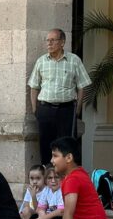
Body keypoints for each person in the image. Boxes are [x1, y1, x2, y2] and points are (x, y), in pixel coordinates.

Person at [29, 29, 91, 165]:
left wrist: (78, 109)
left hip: (67, 110)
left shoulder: (74, 60)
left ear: (62, 42)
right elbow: (34, 86)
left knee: (67, 145)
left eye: (53, 40)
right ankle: (48, 172)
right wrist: (35, 109)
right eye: (47, 40)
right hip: (45, 109)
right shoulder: (41, 61)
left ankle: (67, 175)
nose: (49, 43)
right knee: (45, 144)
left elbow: (82, 86)